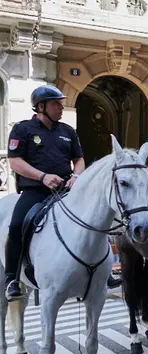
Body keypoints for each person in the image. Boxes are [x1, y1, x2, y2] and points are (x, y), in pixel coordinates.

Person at [4, 85, 85, 300]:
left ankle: (100, 273)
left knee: (93, 219)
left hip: (65, 191)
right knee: (16, 225)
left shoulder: (67, 131)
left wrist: (76, 177)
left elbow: (79, 160)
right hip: (36, 191)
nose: (61, 107)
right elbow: (15, 161)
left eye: (60, 103)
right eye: (55, 104)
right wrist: (42, 177)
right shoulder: (23, 129)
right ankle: (11, 278)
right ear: (41, 107)